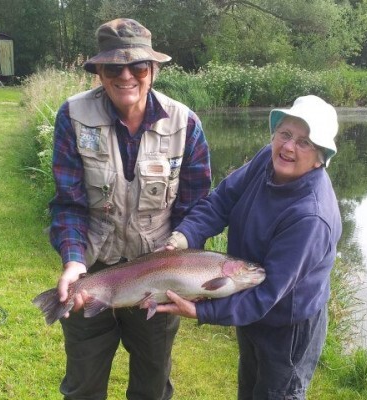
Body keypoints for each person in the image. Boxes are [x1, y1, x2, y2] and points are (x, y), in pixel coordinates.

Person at [47, 18, 212, 400]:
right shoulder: (72, 117)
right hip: (93, 271)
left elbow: (197, 209)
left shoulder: (186, 124)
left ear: (153, 70)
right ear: (99, 72)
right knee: (83, 387)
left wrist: (185, 262)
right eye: (113, 67)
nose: (127, 76)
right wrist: (73, 261)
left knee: (152, 388)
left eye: (138, 67)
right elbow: (68, 205)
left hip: (158, 273)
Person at [156, 95, 342, 400]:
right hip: (249, 298)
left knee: (277, 394)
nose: (289, 147)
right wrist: (182, 238)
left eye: (304, 142)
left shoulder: (311, 216)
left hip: (287, 326)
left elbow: (269, 294)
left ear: (321, 157)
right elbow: (221, 202)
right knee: (250, 389)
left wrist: (203, 310)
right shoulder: (266, 162)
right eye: (285, 134)